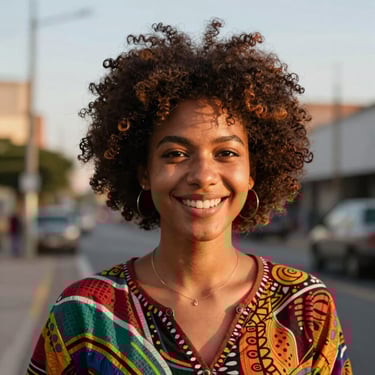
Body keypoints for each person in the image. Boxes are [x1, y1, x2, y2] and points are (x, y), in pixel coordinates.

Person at [27, 19, 352, 374]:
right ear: (144, 173)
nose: (202, 176)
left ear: (252, 172)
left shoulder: (304, 306)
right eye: (175, 154)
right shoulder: (84, 313)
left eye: (226, 153)